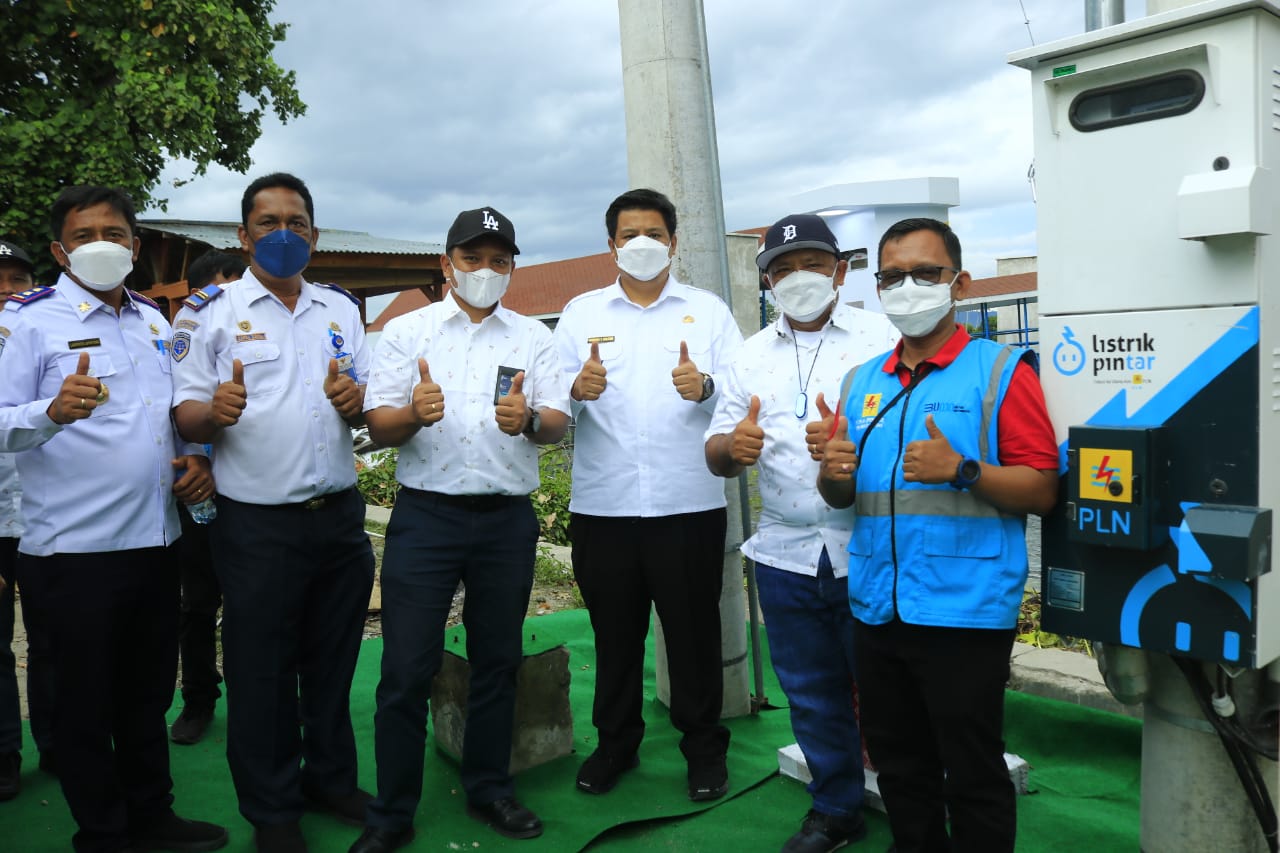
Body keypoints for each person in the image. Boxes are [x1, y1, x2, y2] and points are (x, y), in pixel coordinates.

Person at [817, 218, 1058, 853]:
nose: (909, 288)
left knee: (972, 769)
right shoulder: (862, 381)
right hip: (877, 604)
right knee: (898, 763)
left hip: (965, 610)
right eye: (893, 277)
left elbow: (1043, 489)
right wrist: (831, 473)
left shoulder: (1002, 371)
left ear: (960, 282)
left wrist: (964, 470)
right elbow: (842, 496)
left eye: (925, 273)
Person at [0, 187, 227, 852]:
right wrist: (49, 411)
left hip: (155, 542)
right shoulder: (27, 321)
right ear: (58, 250)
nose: (102, 243)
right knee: (81, 707)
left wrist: (196, 460)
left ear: (134, 243)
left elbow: (169, 418)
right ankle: (102, 832)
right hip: (71, 554)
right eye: (85, 232)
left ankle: (152, 816)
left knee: (145, 696)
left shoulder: (155, 322)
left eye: (115, 231)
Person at [349, 208, 570, 853]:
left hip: (506, 521)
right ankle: (391, 813)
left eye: (498, 260)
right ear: (448, 264)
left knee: (496, 660)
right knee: (404, 669)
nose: (484, 271)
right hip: (427, 518)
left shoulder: (533, 337)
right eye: (471, 259)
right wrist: (411, 415)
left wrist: (528, 419)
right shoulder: (405, 332)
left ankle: (489, 787)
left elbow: (557, 421)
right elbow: (378, 425)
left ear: (511, 269)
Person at [171, 173, 375, 853]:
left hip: (339, 517)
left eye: (297, 221)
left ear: (314, 233)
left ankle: (331, 780)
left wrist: (356, 406)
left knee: (332, 661)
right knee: (261, 672)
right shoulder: (209, 312)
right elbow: (186, 409)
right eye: (268, 222)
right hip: (257, 525)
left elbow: (362, 403)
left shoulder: (341, 309)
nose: (283, 233)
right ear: (243, 234)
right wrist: (212, 413)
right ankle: (274, 809)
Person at [705, 214, 896, 853]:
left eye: (811, 264)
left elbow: (918, 434)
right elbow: (716, 452)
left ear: (840, 271)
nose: (798, 279)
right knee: (810, 692)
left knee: (891, 688)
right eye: (781, 270)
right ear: (765, 283)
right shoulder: (747, 357)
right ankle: (836, 808)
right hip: (784, 552)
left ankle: (912, 802)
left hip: (872, 545)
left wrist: (853, 443)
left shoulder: (885, 339)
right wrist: (733, 445)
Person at [553, 188, 743, 801]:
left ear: (673, 242)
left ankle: (704, 751)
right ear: (611, 244)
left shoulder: (709, 312)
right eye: (629, 234)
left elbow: (741, 395)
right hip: (603, 507)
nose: (642, 244)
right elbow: (551, 403)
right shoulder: (581, 314)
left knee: (692, 636)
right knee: (614, 634)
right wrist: (576, 388)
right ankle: (616, 746)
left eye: (654, 234)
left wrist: (706, 385)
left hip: (688, 504)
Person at [170, 251, 246, 747]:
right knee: (198, 604)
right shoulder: (184, 332)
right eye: (229, 286)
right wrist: (195, 454)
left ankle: (260, 696)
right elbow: (172, 405)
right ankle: (199, 699)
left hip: (253, 492)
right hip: (198, 490)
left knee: (255, 603)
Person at [0, 240, 56, 800]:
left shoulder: (46, 341)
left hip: (44, 518)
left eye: (16, 281)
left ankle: (58, 743)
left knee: (51, 641)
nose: (6, 292)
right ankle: (3, 756)